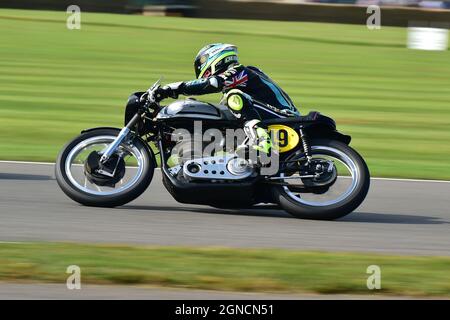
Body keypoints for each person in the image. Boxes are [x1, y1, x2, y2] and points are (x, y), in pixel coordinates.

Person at [155, 43, 300, 156]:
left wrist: (172, 88)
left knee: (234, 97)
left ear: (215, 58)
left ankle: (262, 141)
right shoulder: (238, 79)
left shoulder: (239, 70)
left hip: (284, 116)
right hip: (270, 116)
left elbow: (212, 83)